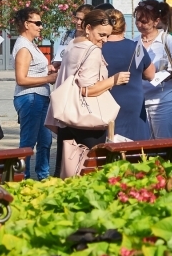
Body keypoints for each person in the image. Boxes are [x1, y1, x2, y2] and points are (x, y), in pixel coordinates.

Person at [50, 9, 130, 176]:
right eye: (101, 34)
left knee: (66, 169)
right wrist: (114, 80)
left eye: (107, 35)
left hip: (67, 116)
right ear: (88, 28)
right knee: (90, 171)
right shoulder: (92, 50)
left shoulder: (74, 43)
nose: (105, 40)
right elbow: (88, 89)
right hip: (87, 120)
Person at [13, 8, 58, 180]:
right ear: (26, 24)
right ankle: (22, 179)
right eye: (37, 23)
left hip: (39, 98)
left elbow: (33, 70)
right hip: (30, 98)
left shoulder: (31, 44)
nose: (41, 26)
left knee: (45, 141)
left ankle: (43, 177)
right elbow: (21, 79)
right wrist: (49, 78)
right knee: (28, 143)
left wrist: (49, 69)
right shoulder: (24, 47)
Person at [102, 9, 155, 141]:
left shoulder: (98, 48)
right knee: (136, 150)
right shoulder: (136, 47)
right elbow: (150, 74)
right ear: (124, 26)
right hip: (133, 105)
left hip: (107, 104)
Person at [134, 0, 172, 138]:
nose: (139, 25)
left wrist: (169, 74)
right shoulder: (135, 41)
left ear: (156, 21)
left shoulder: (167, 40)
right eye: (137, 20)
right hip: (141, 103)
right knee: (144, 149)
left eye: (144, 22)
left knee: (164, 146)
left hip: (164, 101)